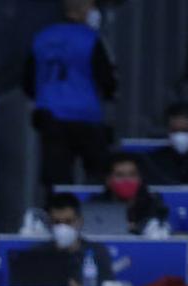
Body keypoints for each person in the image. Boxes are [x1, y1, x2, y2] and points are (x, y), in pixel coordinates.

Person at [23, 0, 118, 195]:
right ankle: (98, 215)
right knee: (99, 172)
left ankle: (58, 214)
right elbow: (107, 79)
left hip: (50, 114)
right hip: (86, 114)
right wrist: (109, 93)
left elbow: (28, 79)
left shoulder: (42, 37)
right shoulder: (90, 39)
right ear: (83, 11)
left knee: (57, 178)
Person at [20, 192, 114, 286]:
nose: (62, 227)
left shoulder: (98, 253)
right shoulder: (37, 255)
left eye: (68, 222)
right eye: (57, 222)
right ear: (50, 224)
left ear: (80, 221)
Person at [97, 153, 170, 236]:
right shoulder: (97, 205)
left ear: (139, 179)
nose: (127, 180)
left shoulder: (153, 205)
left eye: (132, 175)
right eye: (120, 175)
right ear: (108, 180)